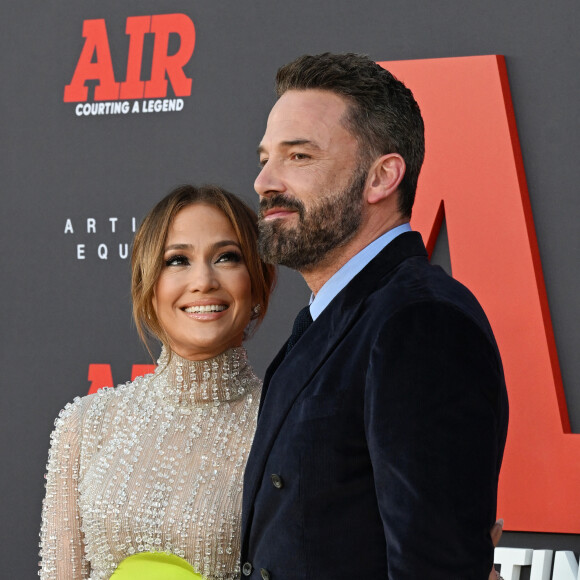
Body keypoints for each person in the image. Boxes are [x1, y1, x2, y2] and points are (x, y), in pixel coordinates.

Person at [240, 52, 509, 579]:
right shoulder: (331, 318)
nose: (264, 181)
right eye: (265, 157)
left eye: (299, 157)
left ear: (381, 177)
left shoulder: (421, 323)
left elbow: (433, 568)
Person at [38, 184, 276, 580]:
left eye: (227, 257)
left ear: (257, 283)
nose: (203, 280)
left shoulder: (282, 425)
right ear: (148, 288)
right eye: (178, 260)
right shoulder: (85, 424)